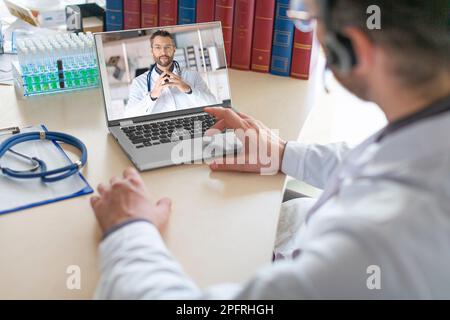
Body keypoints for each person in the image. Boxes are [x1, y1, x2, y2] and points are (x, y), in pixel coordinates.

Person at [91, 0, 450, 299]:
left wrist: (129, 233)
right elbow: (377, 158)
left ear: (351, 49)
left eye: (309, 21)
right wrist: (282, 152)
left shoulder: (374, 245)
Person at [125, 30, 218, 117]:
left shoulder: (192, 76)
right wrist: (152, 96)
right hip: (159, 131)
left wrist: (188, 90)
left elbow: (213, 105)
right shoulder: (138, 82)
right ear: (152, 51)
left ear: (174, 49)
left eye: (167, 47)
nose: (163, 52)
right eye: (158, 47)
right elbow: (129, 115)